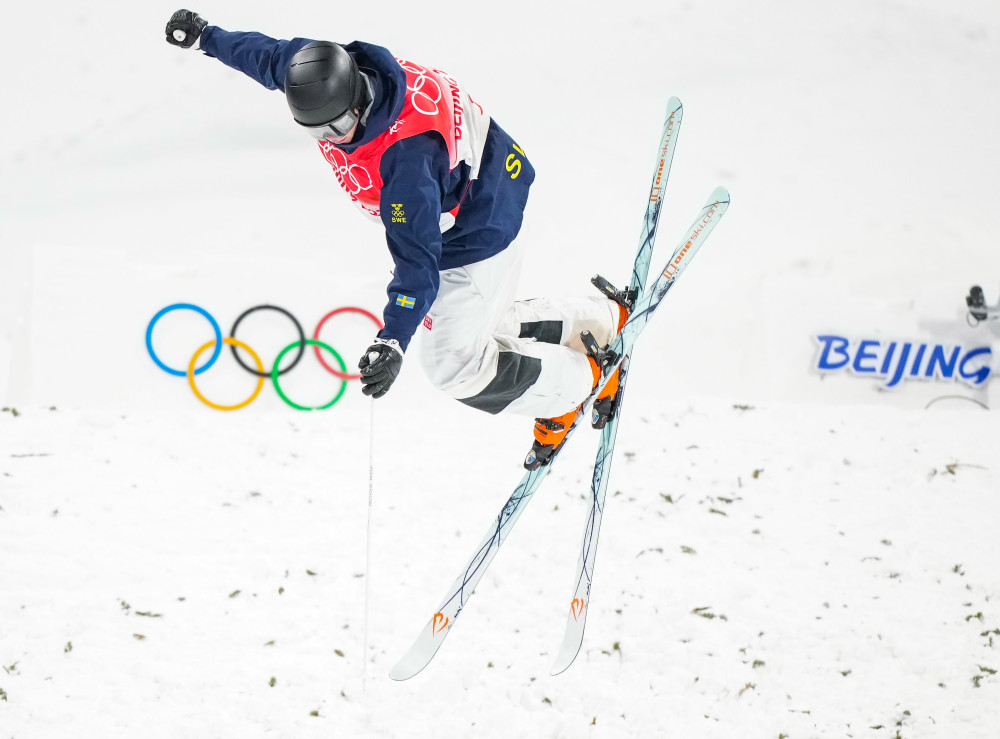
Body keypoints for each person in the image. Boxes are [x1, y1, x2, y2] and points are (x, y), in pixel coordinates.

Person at [164, 10, 631, 469]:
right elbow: (265, 57)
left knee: (453, 364)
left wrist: (393, 339)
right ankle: (599, 322)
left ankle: (582, 382)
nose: (332, 140)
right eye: (317, 131)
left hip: (481, 222)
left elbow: (416, 262)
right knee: (475, 321)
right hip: (486, 178)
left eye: (337, 127)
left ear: (357, 103)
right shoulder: (327, 67)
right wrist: (207, 36)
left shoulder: (405, 160)